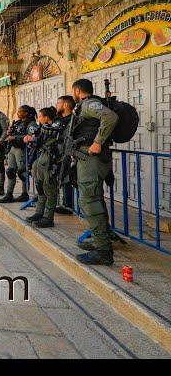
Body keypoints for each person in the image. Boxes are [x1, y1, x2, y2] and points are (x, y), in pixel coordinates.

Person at [69, 79, 118, 266]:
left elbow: (110, 117)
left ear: (77, 90)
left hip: (92, 160)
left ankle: (103, 251)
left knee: (89, 201)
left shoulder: (89, 104)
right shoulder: (85, 105)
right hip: (87, 158)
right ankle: (101, 241)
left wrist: (98, 142)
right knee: (94, 200)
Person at [24, 107, 60, 228]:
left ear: (46, 117)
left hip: (52, 161)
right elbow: (39, 140)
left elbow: (50, 141)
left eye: (40, 116)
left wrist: (34, 139)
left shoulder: (57, 127)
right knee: (40, 187)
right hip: (43, 159)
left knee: (49, 189)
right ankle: (39, 212)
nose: (38, 119)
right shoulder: (44, 128)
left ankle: (48, 217)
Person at [0, 105, 37, 204]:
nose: (18, 113)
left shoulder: (31, 124)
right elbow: (11, 134)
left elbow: (31, 136)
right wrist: (9, 133)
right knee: (10, 171)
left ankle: (25, 193)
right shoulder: (17, 123)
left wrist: (15, 138)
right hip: (13, 148)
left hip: (22, 149)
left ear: (26, 113)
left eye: (20, 111)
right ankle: (9, 194)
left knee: (22, 172)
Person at [54, 95, 76, 215]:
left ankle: (68, 205)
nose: (57, 105)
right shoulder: (58, 119)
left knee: (67, 178)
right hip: (57, 153)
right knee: (60, 177)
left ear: (66, 105)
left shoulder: (73, 119)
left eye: (59, 103)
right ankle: (61, 203)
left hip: (68, 153)